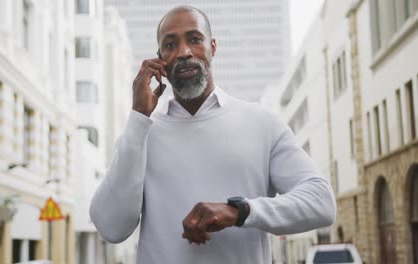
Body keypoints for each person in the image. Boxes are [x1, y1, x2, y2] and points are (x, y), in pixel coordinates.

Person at [90, 5, 336, 264]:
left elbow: (321, 202)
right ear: (160, 58)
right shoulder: (139, 135)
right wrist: (139, 117)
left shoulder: (261, 123)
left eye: (195, 40)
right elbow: (111, 227)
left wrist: (238, 211)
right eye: (170, 45)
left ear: (213, 47)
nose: (184, 52)